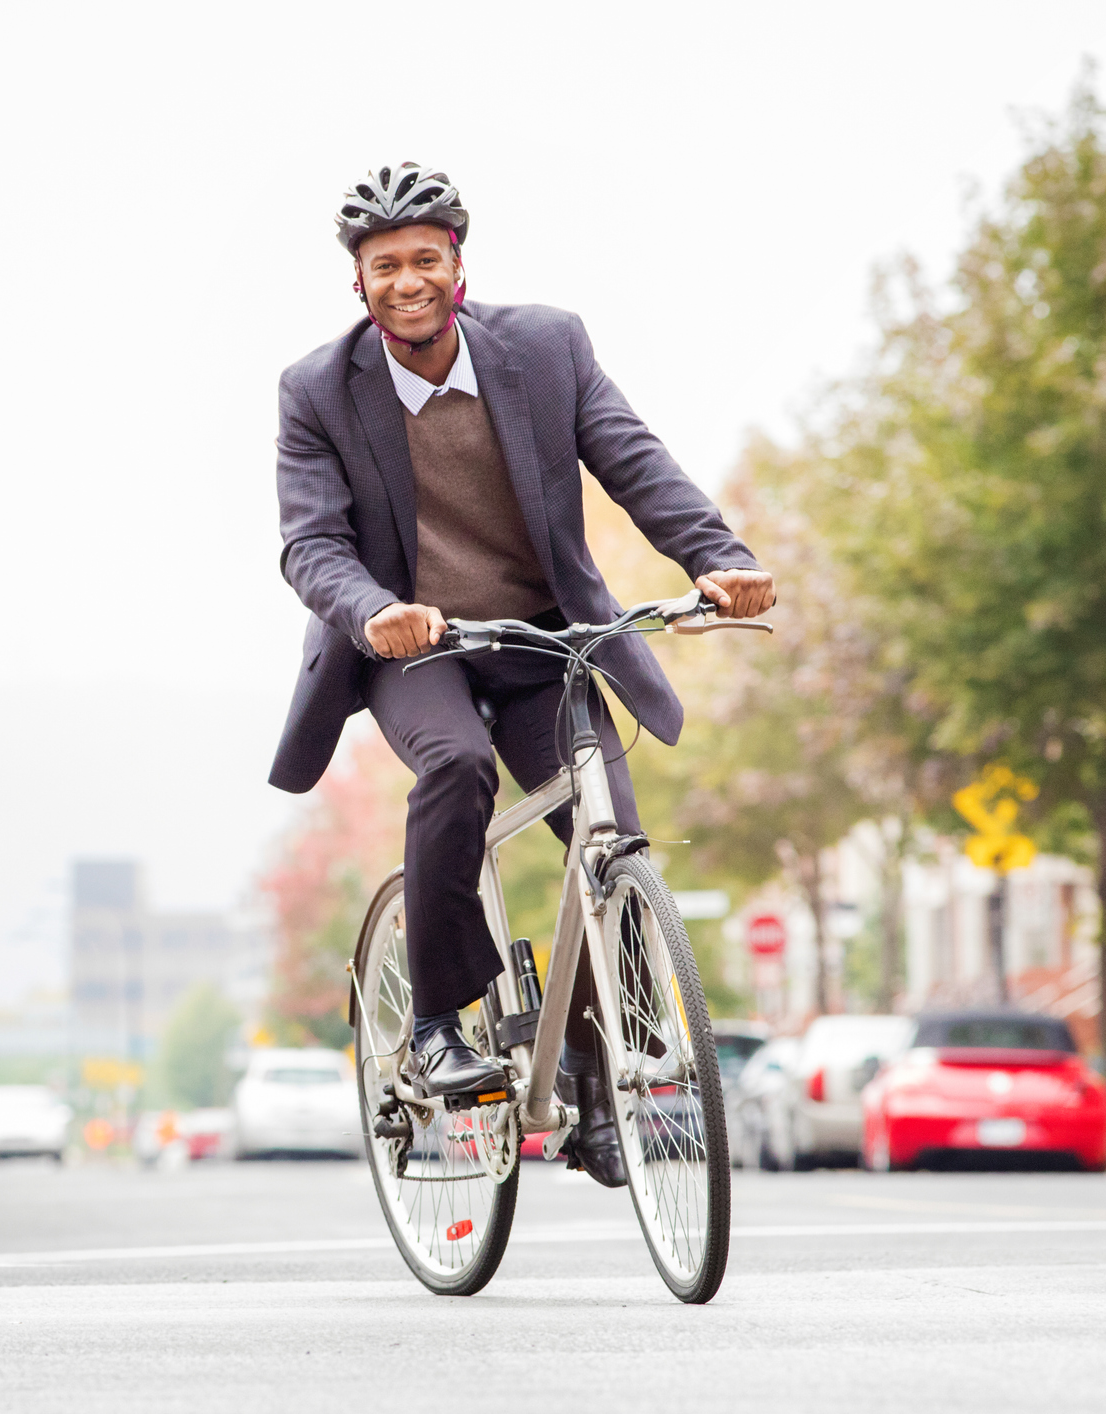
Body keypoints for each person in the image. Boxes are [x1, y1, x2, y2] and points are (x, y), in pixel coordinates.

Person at [270, 163, 774, 1186]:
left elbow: (633, 460)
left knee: (608, 829)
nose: (406, 280)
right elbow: (309, 544)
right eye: (383, 267)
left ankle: (598, 1069)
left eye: (425, 259)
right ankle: (440, 1026)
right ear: (357, 286)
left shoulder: (546, 347)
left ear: (458, 267)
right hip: (419, 645)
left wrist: (716, 558)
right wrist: (378, 611)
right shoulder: (318, 391)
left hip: (546, 636)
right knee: (455, 766)